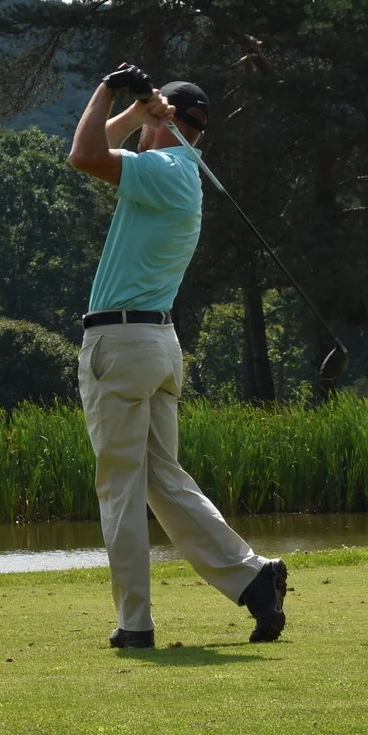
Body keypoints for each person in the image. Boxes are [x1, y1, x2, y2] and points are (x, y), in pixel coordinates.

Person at [66, 65, 288, 649]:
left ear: (170, 127)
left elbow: (85, 154)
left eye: (149, 120)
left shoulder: (164, 168)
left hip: (123, 343)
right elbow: (108, 146)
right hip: (157, 345)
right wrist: (141, 111)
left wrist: (108, 90)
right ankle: (254, 577)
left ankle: (134, 624)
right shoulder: (176, 172)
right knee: (161, 478)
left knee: (119, 488)